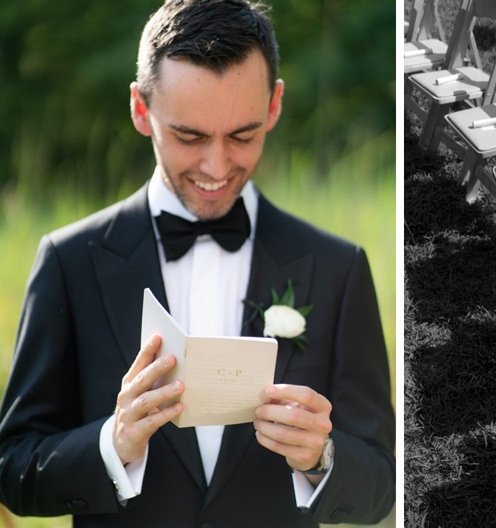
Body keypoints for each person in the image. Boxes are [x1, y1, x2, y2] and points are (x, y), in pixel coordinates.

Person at [0, 0, 395, 526]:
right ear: (141, 110)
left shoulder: (337, 266)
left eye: (242, 136)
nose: (216, 166)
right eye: (190, 136)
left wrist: (322, 455)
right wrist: (110, 445)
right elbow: (14, 470)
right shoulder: (69, 262)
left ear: (274, 105)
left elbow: (383, 485)